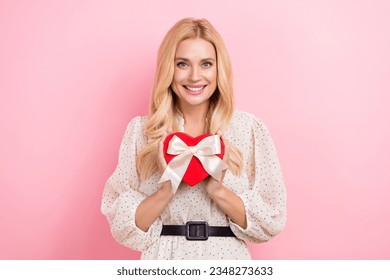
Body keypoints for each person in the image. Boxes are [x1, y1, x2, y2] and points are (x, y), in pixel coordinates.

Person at [101, 18, 287, 260]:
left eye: (206, 64)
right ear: (169, 69)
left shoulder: (248, 129)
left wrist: (217, 190)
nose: (195, 76)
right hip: (163, 260)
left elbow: (271, 220)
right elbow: (122, 225)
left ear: (219, 69)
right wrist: (166, 189)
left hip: (227, 261)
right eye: (183, 64)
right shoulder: (141, 131)